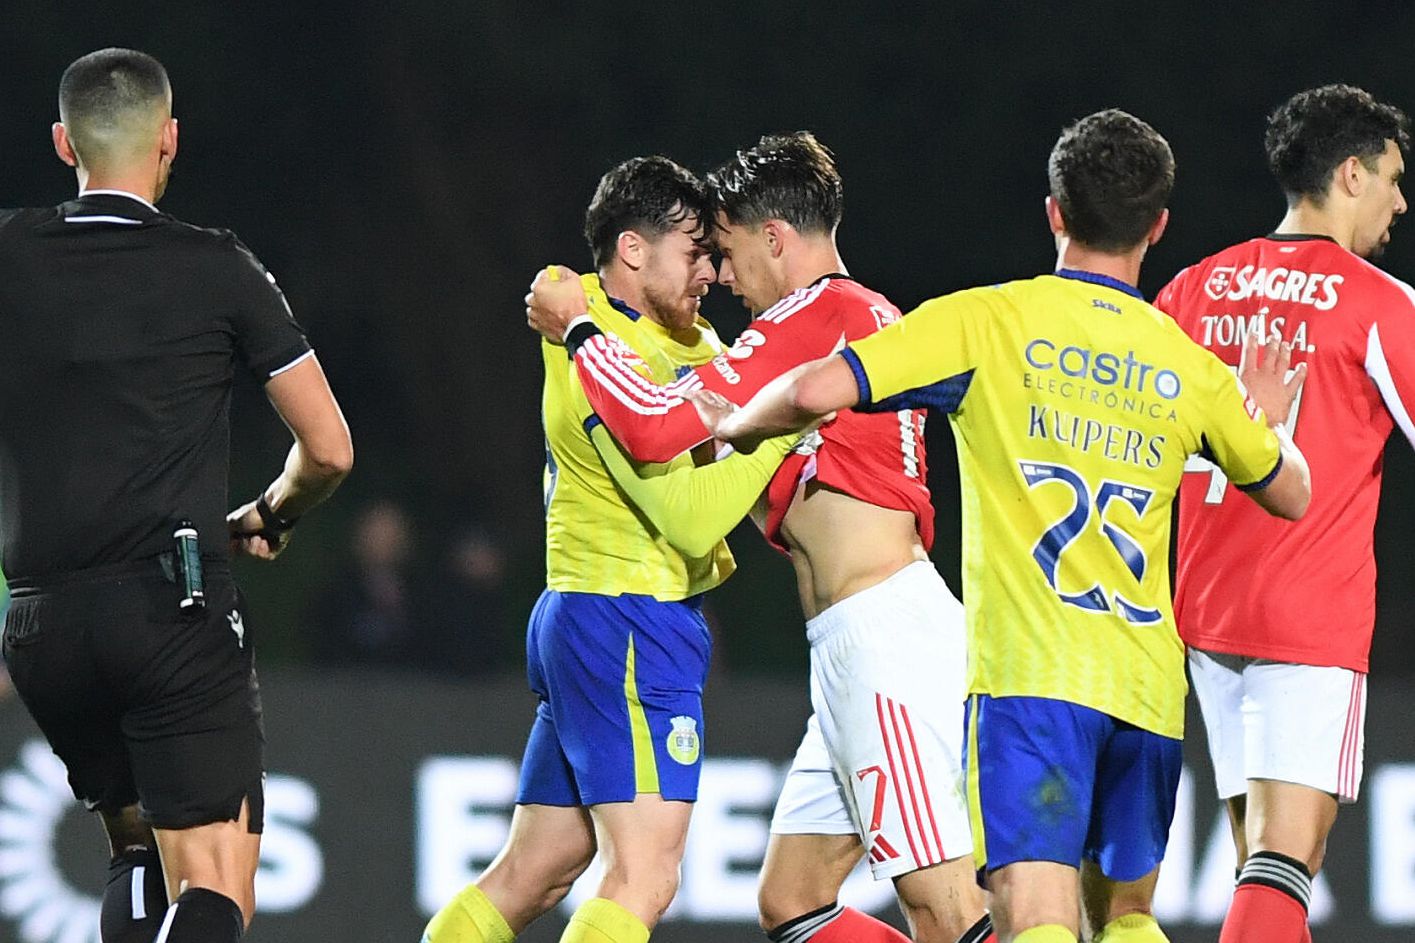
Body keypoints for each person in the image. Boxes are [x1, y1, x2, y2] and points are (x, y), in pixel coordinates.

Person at [690, 111, 1313, 943]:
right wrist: (1268, 427)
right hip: (1144, 690)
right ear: (1158, 226)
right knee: (1121, 918)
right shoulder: (1185, 365)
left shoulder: (984, 322)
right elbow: (1289, 493)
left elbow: (810, 392)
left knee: (1019, 917)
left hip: (1025, 676)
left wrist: (730, 425)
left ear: (1053, 211)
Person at [526, 132, 993, 943]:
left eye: (731, 251)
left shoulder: (812, 317)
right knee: (792, 901)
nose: (722, 276)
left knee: (945, 908)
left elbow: (653, 427)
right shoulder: (864, 311)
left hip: (883, 639)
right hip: (861, 635)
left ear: (775, 238)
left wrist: (578, 330)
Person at [0, 48, 352, 943]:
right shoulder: (215, 267)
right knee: (216, 882)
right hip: (168, 610)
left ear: (61, 142)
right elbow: (329, 449)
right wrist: (273, 513)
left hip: (43, 623)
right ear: (170, 140)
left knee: (136, 853)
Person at [423, 155, 791, 943]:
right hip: (628, 617)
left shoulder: (602, 314)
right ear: (632, 249)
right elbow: (695, 515)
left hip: (585, 613)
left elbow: (569, 292)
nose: (711, 273)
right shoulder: (604, 342)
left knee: (538, 867)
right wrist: (778, 429)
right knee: (646, 872)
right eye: (694, 252)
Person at [1153, 84, 1412, 943]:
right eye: (1390, 179)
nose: (1399, 202)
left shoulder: (1190, 289)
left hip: (1205, 612)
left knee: (1260, 870)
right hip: (1307, 615)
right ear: (1348, 174)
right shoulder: (1378, 301)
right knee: (1283, 861)